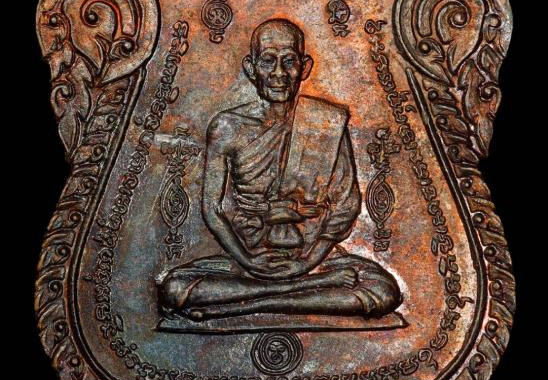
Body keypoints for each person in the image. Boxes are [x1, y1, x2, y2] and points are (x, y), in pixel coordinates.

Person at [157, 18, 401, 321]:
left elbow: (346, 205)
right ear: (251, 68)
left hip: (313, 256)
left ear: (304, 68)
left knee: (384, 292)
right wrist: (248, 260)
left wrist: (307, 262)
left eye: (289, 62)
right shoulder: (227, 127)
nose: (278, 74)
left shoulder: (325, 122)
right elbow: (213, 209)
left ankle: (253, 301)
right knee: (175, 288)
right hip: (246, 256)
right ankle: (302, 290)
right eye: (268, 61)